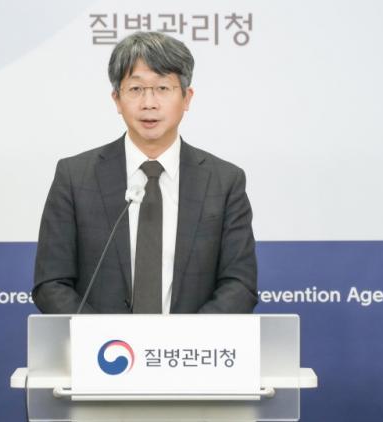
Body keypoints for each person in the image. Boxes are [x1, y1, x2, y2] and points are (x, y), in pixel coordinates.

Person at [32, 31, 257, 314]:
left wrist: (189, 337)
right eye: (136, 89)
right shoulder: (74, 177)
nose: (149, 103)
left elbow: (239, 284)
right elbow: (51, 283)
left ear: (186, 98)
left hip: (192, 343)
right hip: (102, 343)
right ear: (117, 99)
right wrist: (103, 336)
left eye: (162, 88)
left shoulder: (224, 182)